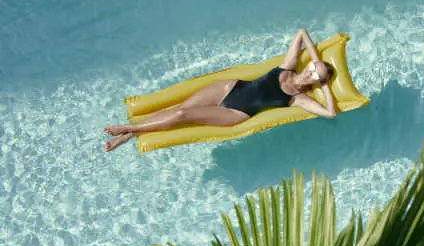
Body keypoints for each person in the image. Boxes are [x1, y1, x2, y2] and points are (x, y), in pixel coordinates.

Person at [104, 28, 337, 152]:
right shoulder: (288, 66)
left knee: (181, 115)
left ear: (318, 82)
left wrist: (324, 84)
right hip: (230, 87)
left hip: (235, 113)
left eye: (316, 76)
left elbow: (330, 113)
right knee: (179, 109)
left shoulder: (298, 98)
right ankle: (128, 135)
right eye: (312, 68)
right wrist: (317, 60)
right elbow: (302, 33)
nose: (310, 73)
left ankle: (127, 129)